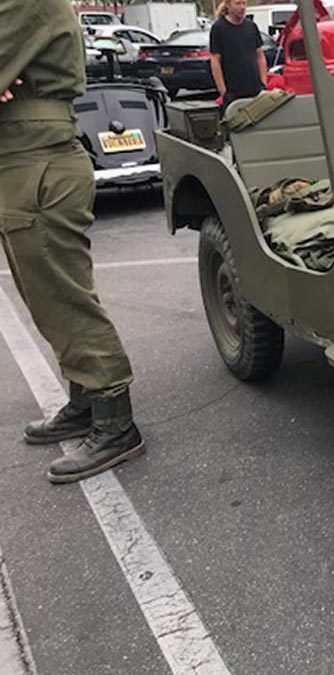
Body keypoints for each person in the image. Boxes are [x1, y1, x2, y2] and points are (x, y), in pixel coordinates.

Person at [0, 0, 145, 484]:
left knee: (62, 297)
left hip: (37, 159)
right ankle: (84, 400)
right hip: (24, 158)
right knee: (45, 294)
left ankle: (114, 420)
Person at [210, 0, 267, 112]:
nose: (242, 7)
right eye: (237, 3)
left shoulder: (251, 26)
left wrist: (263, 83)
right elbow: (215, 60)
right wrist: (223, 91)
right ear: (228, 5)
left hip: (255, 90)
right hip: (233, 93)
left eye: (243, 3)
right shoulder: (219, 28)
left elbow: (260, 56)